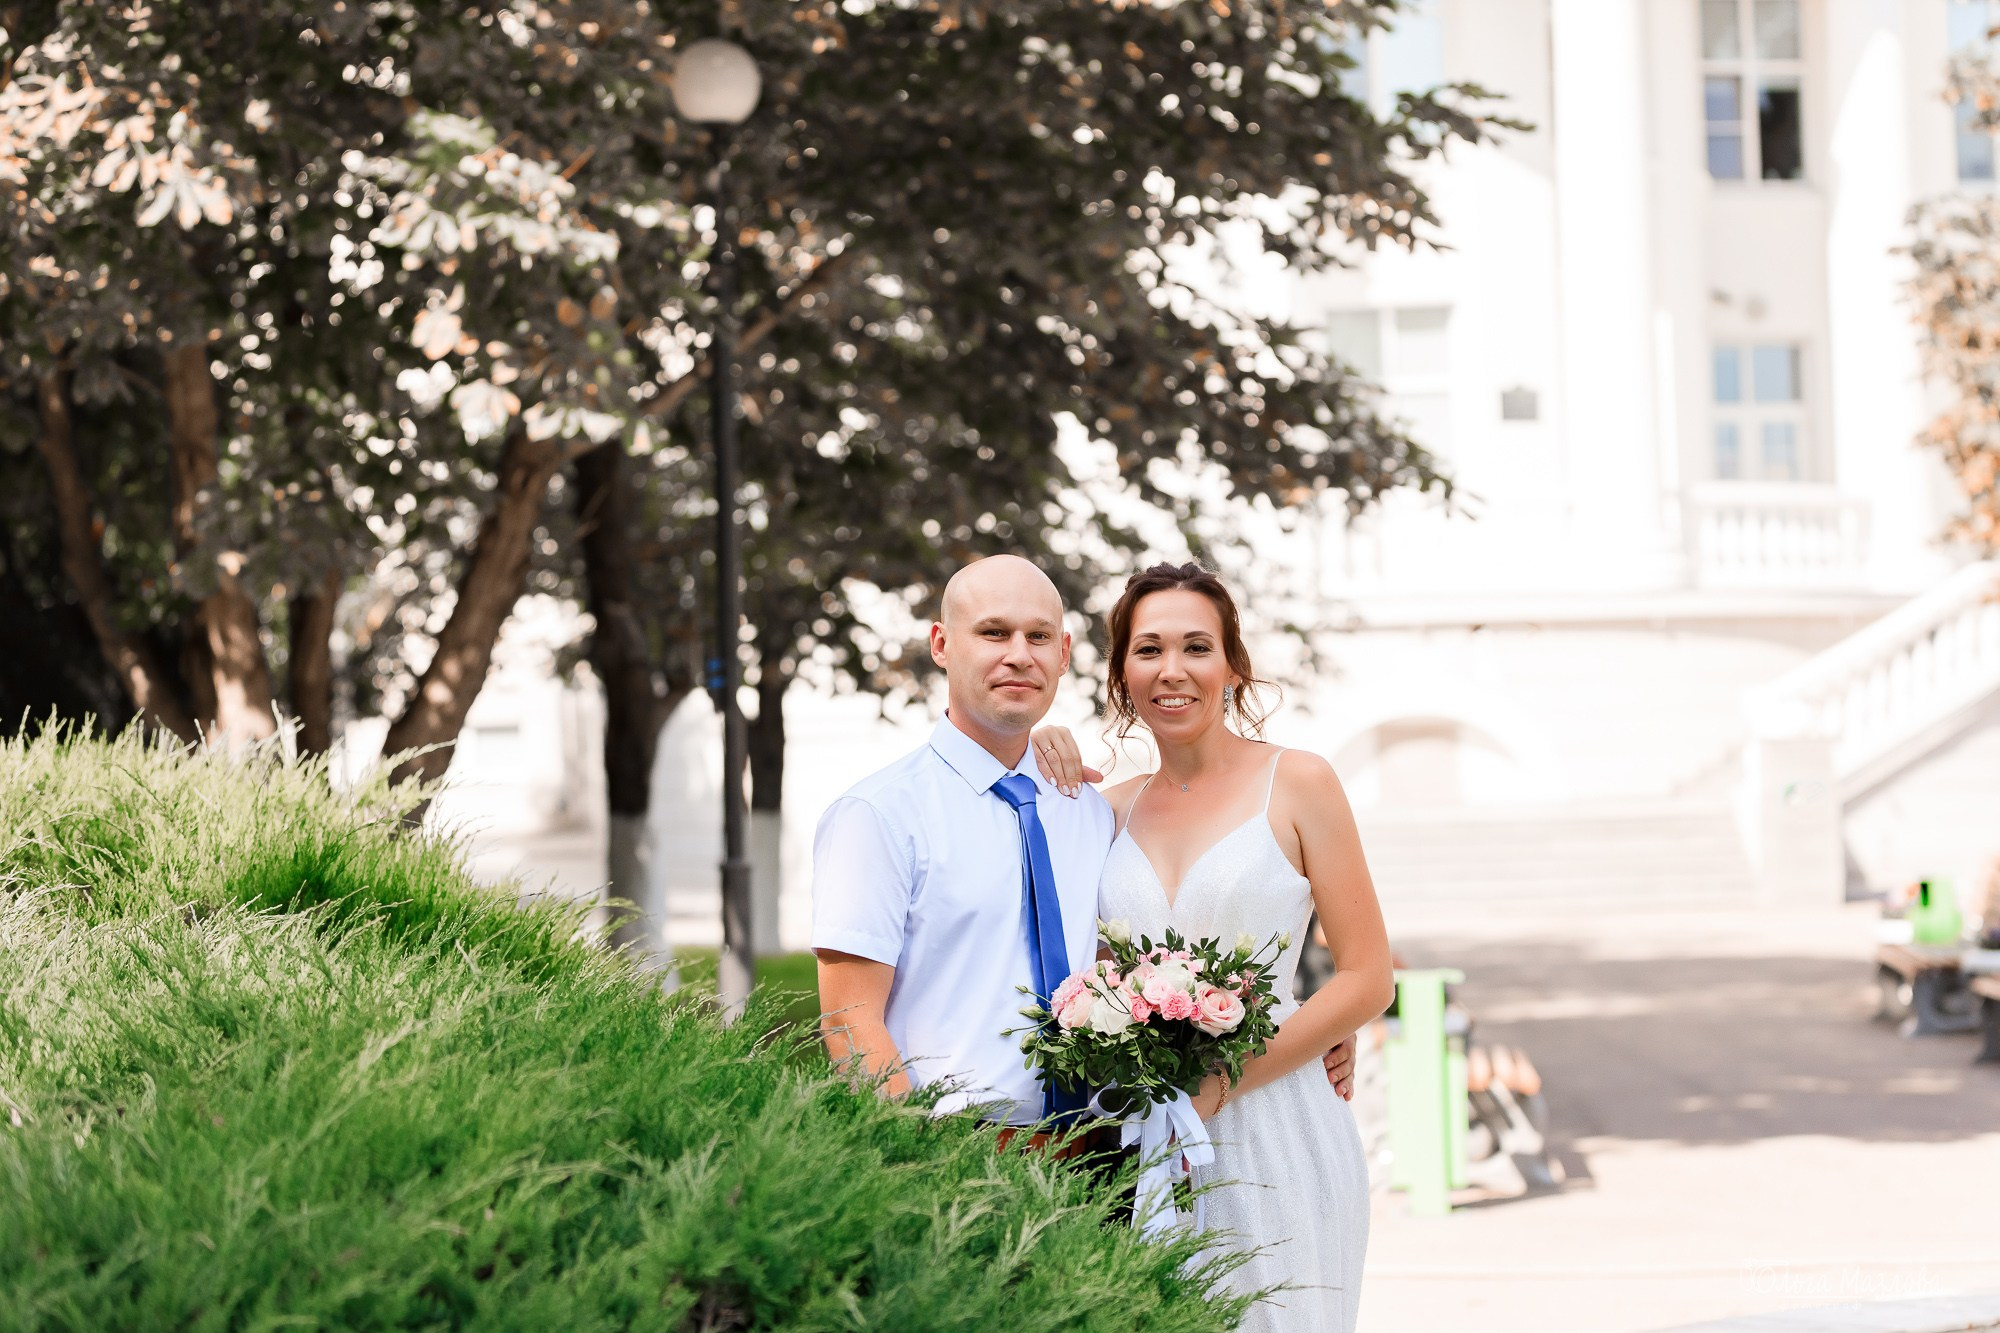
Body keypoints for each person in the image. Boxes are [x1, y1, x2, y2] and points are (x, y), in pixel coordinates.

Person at [811, 555, 1355, 1148]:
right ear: (942, 644)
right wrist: (918, 1162)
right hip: (956, 1145)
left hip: (1106, 1147)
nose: (1019, 654)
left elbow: (1131, 958)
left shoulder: (1086, 810)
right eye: (994, 632)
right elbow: (849, 1021)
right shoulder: (879, 814)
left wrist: (1294, 1022)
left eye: (1038, 637)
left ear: (1064, 654)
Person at [1035, 561, 1392, 1333]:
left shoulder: (1299, 782)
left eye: (1196, 647)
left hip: (1280, 1119)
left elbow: (1367, 976)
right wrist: (1040, 744)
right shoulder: (1105, 810)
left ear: (1232, 663)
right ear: (1120, 673)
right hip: (1141, 1133)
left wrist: (1226, 1076)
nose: (1172, 670)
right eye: (1148, 649)